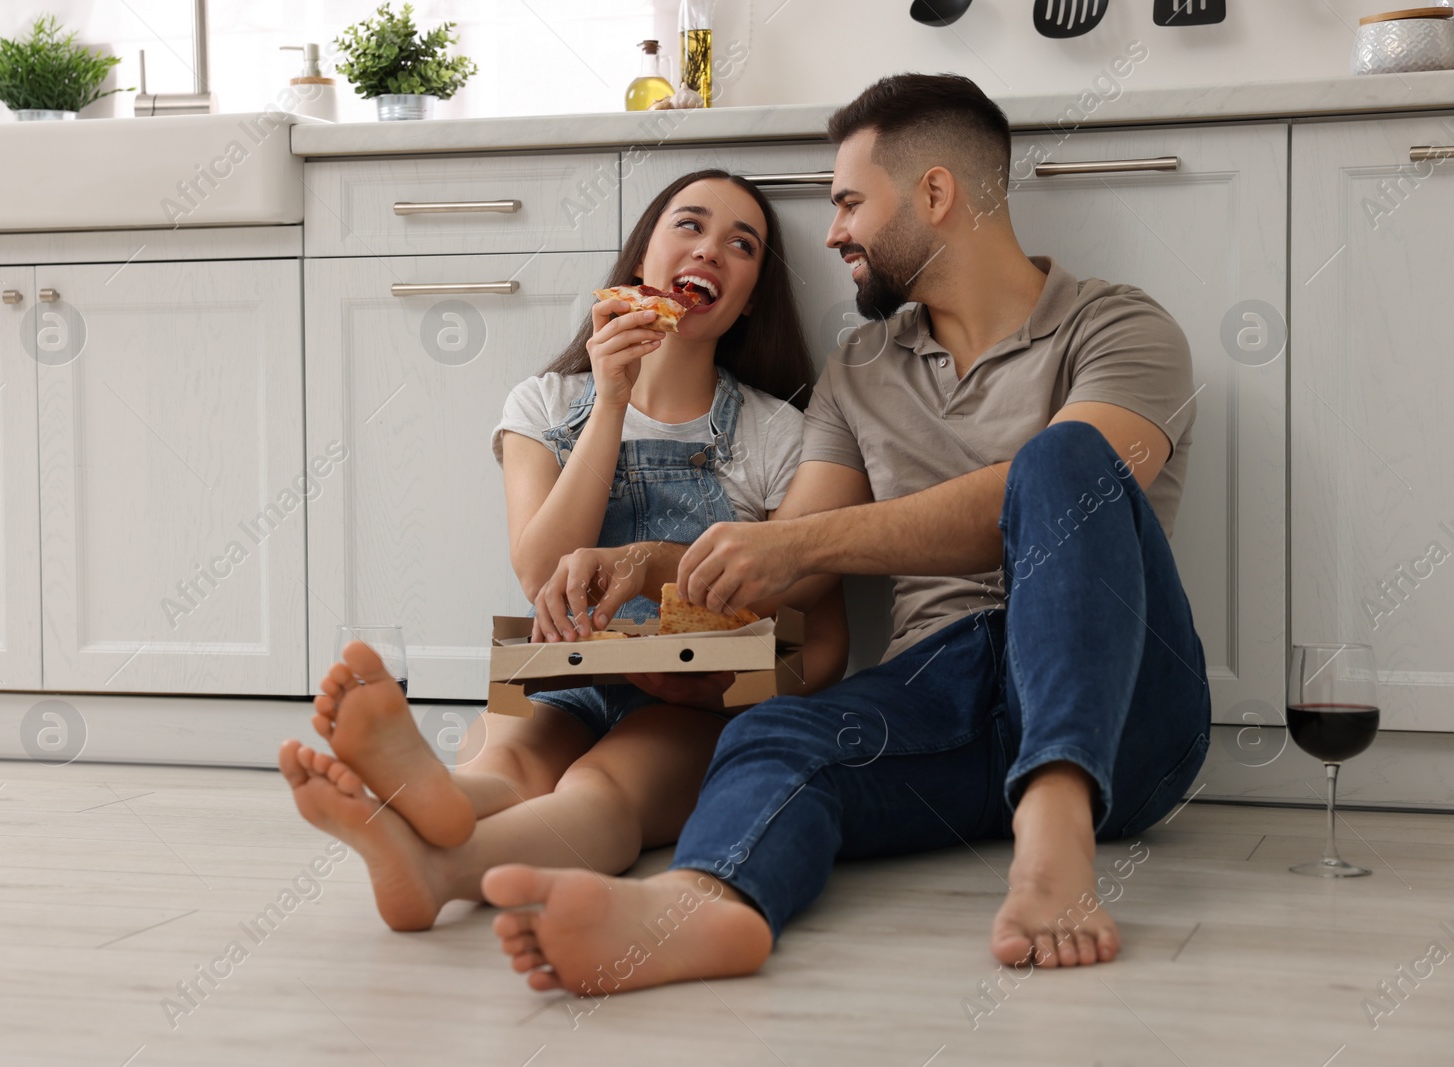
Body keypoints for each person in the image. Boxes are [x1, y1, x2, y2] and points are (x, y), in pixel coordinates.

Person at [480, 73, 1213, 994]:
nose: (832, 234)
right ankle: (706, 908)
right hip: (939, 695)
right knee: (777, 732)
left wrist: (799, 547)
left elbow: (1034, 504)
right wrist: (651, 562)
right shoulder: (860, 366)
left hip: (1125, 712)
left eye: (849, 203)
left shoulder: (1119, 326)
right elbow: (784, 554)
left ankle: (1055, 841)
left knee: (1058, 463)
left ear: (935, 195)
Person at [278, 170, 850, 931]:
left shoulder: (777, 433)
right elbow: (540, 570)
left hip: (696, 701)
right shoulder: (544, 404)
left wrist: (735, 689)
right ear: (641, 259)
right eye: (689, 225)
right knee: (507, 765)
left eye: (741, 245)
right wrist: (611, 397)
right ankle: (433, 795)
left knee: (600, 788)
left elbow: (820, 623)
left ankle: (437, 863)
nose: (711, 251)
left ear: (749, 297)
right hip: (566, 673)